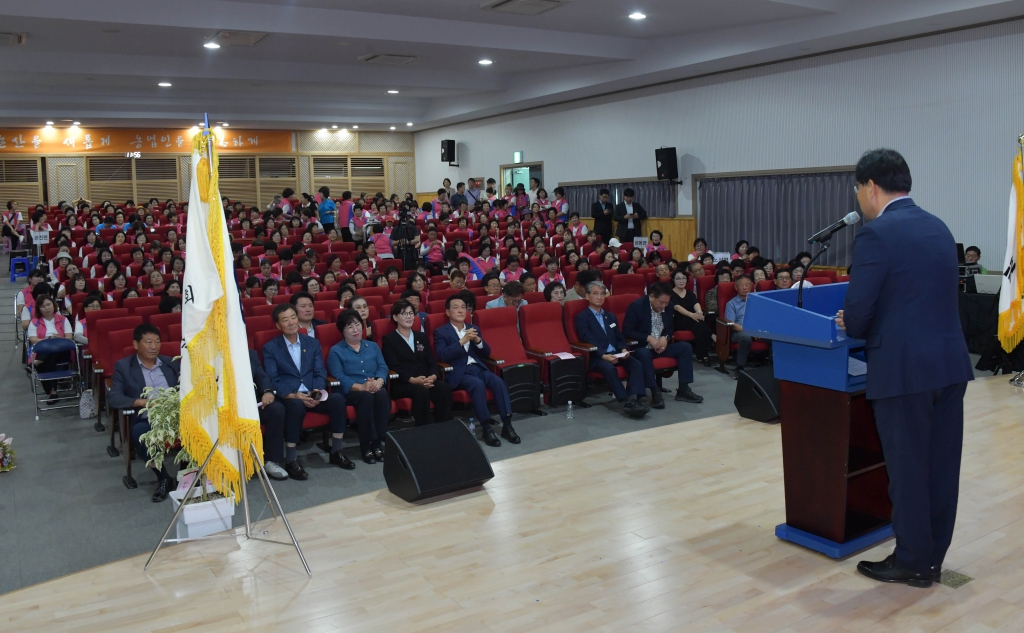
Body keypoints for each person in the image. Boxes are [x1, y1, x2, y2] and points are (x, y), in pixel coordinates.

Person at [836, 148, 973, 588]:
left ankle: (913, 561)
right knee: (940, 468)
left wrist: (849, 320)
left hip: (903, 371)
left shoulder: (877, 235)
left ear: (871, 187)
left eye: (858, 189)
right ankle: (931, 557)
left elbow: (858, 315)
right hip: (949, 366)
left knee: (909, 469)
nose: (858, 198)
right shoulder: (938, 227)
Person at [262, 304, 354, 470]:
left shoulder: (312, 343)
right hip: (291, 397)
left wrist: (316, 392)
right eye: (285, 320)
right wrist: (293, 395)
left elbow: (320, 371)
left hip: (313, 394)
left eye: (293, 318)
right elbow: (273, 379)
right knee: (296, 406)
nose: (291, 322)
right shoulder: (270, 348)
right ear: (277, 325)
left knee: (338, 399)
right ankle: (291, 459)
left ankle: (336, 451)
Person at [433, 295, 520, 447]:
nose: (461, 310)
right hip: (460, 372)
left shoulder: (474, 329)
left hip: (478, 368)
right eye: (456, 307)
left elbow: (486, 353)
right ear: (447, 312)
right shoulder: (441, 332)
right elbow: (441, 355)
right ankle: (486, 428)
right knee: (477, 385)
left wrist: (478, 341)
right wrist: (462, 341)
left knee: (499, 382)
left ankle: (507, 425)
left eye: (463, 307)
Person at [108, 325, 181, 502]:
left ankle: (188, 476)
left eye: (157, 342)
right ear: (136, 344)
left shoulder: (171, 362)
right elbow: (114, 397)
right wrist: (143, 402)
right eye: (148, 342)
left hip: (177, 415)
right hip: (148, 418)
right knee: (140, 434)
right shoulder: (124, 366)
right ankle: (163, 477)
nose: (153, 346)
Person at [574, 281, 650, 417]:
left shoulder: (610, 316)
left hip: (615, 353)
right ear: (587, 296)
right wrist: (603, 355)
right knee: (608, 368)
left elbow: (619, 336)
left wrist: (623, 350)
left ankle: (635, 397)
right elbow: (587, 339)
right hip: (597, 357)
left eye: (602, 294)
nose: (599, 297)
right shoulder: (582, 317)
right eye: (595, 294)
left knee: (636, 363)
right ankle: (625, 400)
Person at [622, 284, 704, 406]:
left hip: (661, 347)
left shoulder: (669, 306)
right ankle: (655, 391)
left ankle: (683, 389)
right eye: (661, 302)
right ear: (652, 297)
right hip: (643, 347)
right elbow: (627, 331)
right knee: (644, 354)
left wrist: (665, 337)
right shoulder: (636, 306)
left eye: (666, 302)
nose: (664, 306)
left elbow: (670, 327)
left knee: (685, 347)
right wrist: (649, 338)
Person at [328, 310, 391, 464]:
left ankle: (377, 443)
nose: (355, 330)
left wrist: (379, 381)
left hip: (373, 387)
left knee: (382, 395)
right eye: (350, 327)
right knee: (366, 397)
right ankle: (365, 445)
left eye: (358, 325)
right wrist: (360, 386)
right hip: (350, 392)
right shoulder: (336, 351)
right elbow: (339, 376)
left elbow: (382, 368)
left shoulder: (373, 346)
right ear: (342, 331)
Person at [382, 300, 453, 428]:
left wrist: (433, 376)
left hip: (425, 378)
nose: (409, 317)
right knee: (421, 391)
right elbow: (394, 366)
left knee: (444, 388)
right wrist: (413, 380)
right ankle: (424, 429)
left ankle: (444, 427)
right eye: (404, 314)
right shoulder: (389, 339)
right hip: (404, 383)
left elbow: (431, 361)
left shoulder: (421, 336)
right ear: (395, 317)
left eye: (411, 313)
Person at [248, 350, 304, 482]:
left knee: (277, 409)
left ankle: (271, 461)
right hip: (227, 406)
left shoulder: (250, 354)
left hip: (252, 403)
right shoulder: (215, 355)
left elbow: (261, 376)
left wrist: (267, 391)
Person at [669, 269, 713, 365]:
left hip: (692, 319)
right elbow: (677, 308)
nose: (681, 281)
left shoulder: (690, 293)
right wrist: (692, 315)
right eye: (678, 279)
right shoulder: (670, 294)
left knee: (699, 325)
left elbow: (696, 304)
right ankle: (704, 352)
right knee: (700, 325)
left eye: (684, 278)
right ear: (673, 280)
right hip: (677, 320)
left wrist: (699, 313)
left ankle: (702, 354)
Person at [723, 275, 760, 378]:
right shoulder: (732, 304)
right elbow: (732, 324)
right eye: (741, 285)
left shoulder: (757, 301)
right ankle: (740, 367)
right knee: (746, 338)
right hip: (738, 331)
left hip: (757, 330)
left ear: (751, 286)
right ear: (736, 287)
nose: (744, 287)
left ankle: (773, 365)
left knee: (776, 336)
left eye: (747, 285)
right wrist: (751, 331)